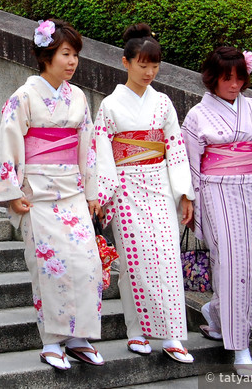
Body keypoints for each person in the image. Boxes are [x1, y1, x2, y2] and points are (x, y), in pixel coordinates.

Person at [0, 18, 103, 370]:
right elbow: (9, 142)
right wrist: (11, 192)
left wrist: (92, 191)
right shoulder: (24, 97)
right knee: (50, 268)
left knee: (86, 264)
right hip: (37, 195)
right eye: (65, 54)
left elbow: (87, 147)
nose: (72, 62)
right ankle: (52, 341)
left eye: (75, 55)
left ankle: (80, 336)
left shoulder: (79, 98)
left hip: (71, 191)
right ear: (46, 56)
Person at [182, 46, 252, 377]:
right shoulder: (197, 117)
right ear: (212, 79)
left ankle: (216, 312)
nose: (233, 84)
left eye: (239, 77)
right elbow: (190, 163)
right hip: (217, 193)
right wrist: (190, 202)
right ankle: (240, 347)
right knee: (232, 266)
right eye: (226, 78)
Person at [93, 23, 195, 364]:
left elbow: (175, 148)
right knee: (134, 262)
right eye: (142, 64)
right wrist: (102, 193)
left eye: (154, 65)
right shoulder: (109, 106)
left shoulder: (163, 103)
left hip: (159, 184)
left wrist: (184, 192)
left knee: (166, 259)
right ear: (126, 63)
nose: (149, 71)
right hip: (124, 187)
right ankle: (135, 331)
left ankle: (173, 335)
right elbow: (102, 152)